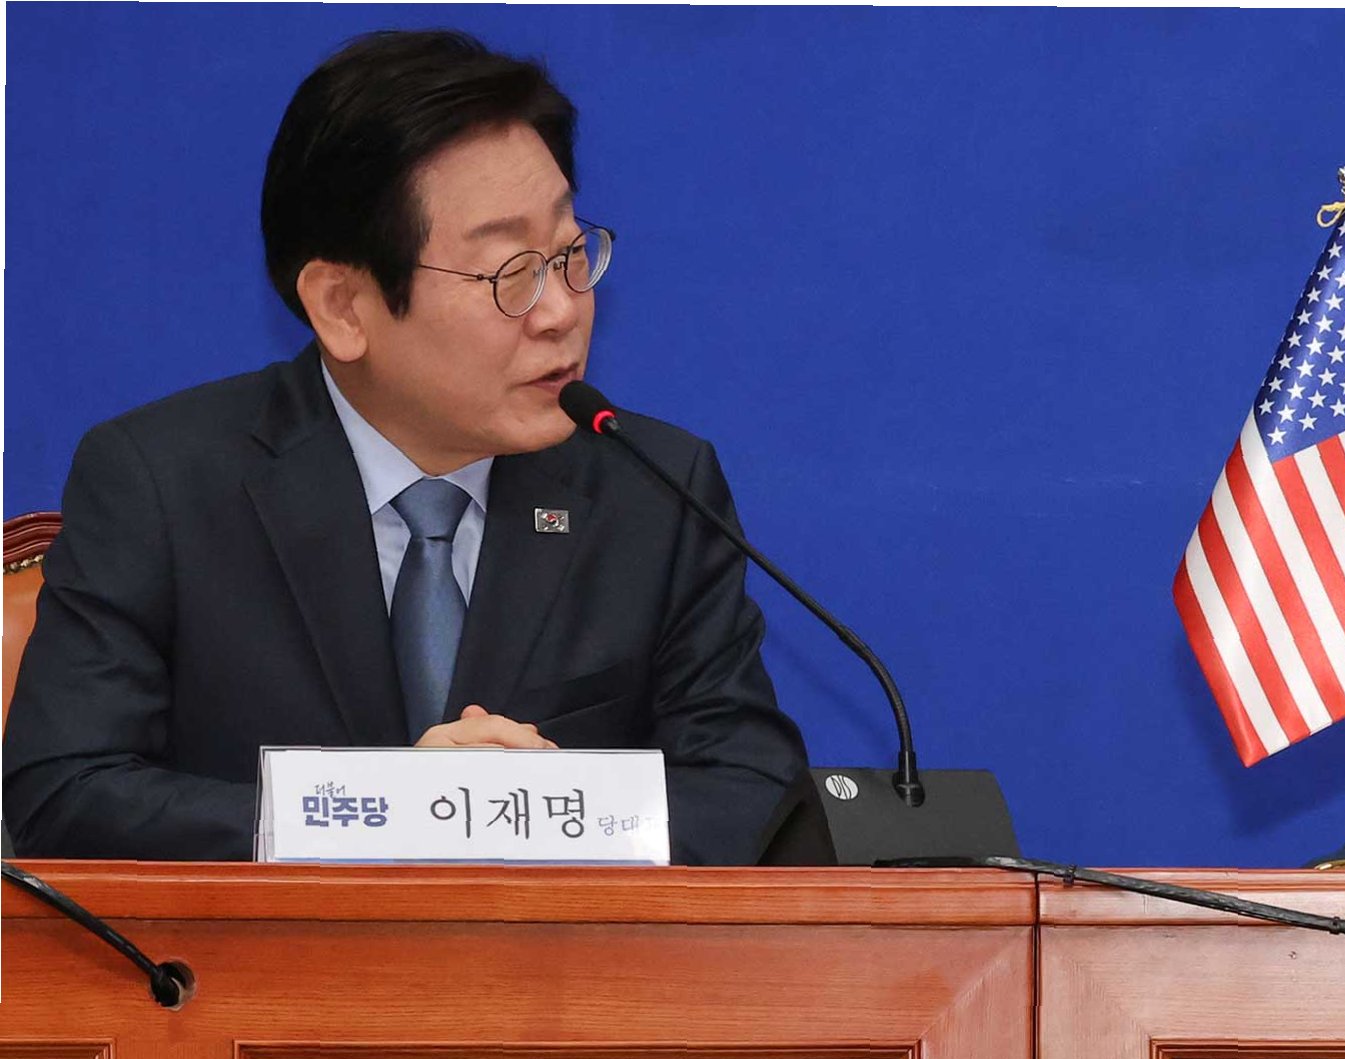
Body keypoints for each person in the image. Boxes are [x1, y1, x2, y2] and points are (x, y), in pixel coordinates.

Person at [2, 29, 811, 864]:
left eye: (570, 254)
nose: (562, 311)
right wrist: (389, 812)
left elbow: (751, 791)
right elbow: (64, 791)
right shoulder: (162, 483)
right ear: (343, 306)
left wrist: (545, 815)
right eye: (511, 273)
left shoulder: (654, 489)